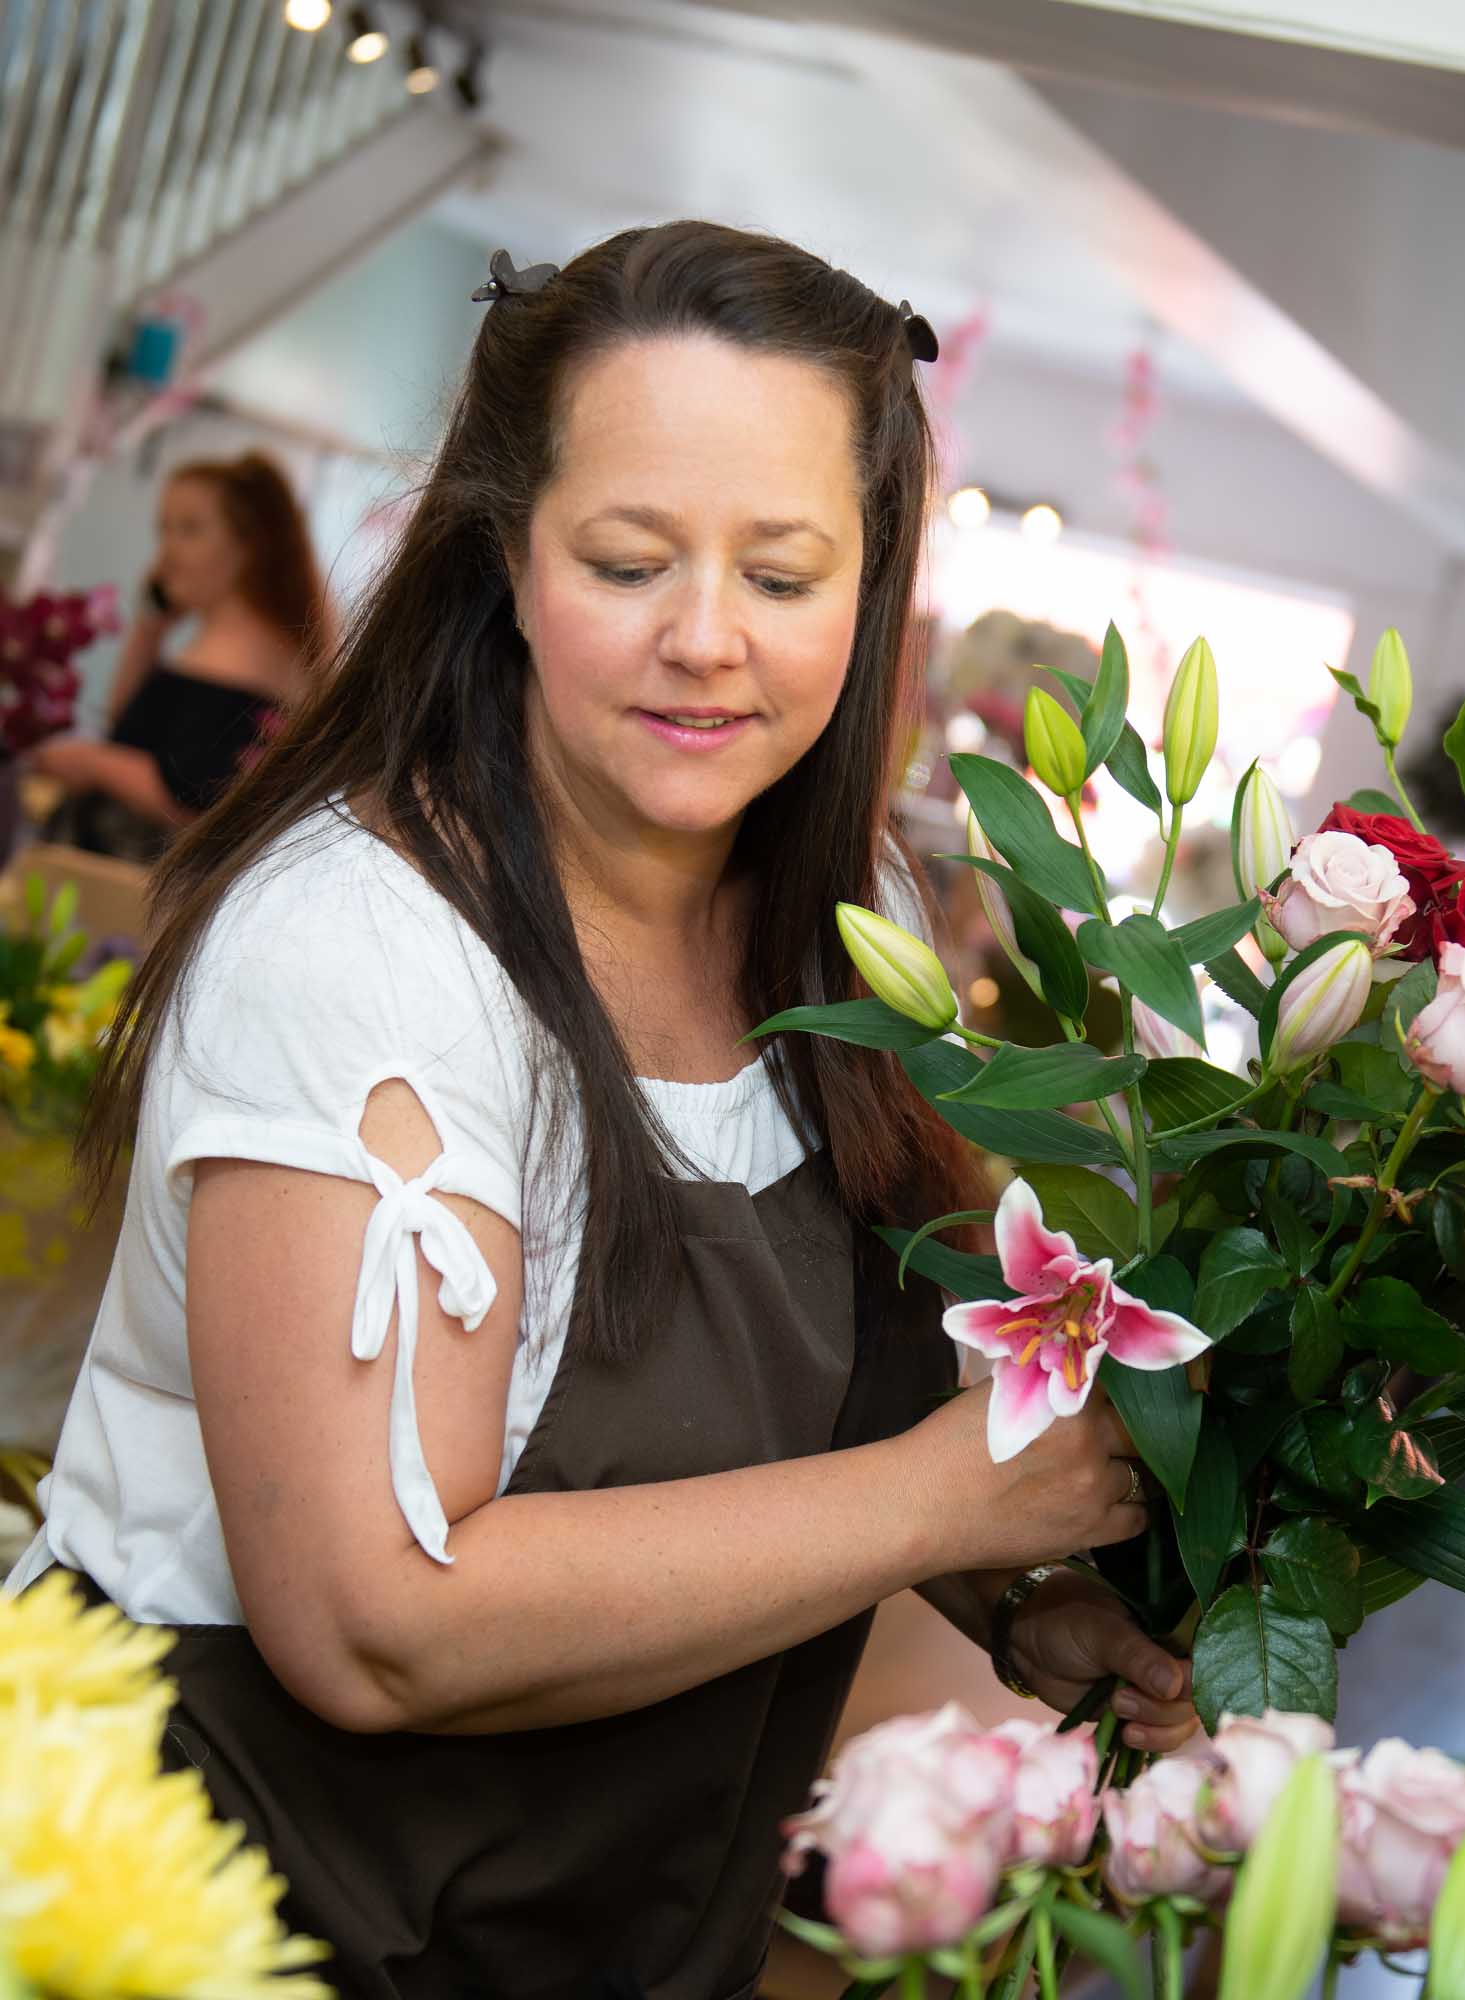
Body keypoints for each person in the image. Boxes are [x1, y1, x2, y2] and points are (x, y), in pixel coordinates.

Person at [9, 224, 1197, 1999]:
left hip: (621, 1930)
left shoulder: (838, 913)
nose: (705, 641)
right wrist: (942, 1507)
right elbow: (377, 1622)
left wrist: (1025, 1602)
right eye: (629, 559)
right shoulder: (364, 953)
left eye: (786, 577)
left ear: (874, 591)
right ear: (504, 550)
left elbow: (806, 1415)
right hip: (233, 1917)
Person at [30, 451, 325, 860]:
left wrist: (90, 761)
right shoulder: (220, 649)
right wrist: (150, 630)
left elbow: (191, 794)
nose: (166, 553)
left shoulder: (246, 658)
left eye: (189, 530)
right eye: (164, 530)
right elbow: (129, 729)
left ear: (249, 544)